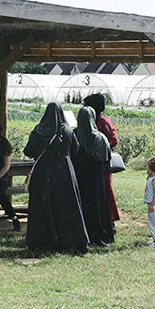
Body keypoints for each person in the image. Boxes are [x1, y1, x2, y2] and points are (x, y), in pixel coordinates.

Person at [23, 103, 88, 254]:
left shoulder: (39, 131)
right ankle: (71, 240)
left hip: (43, 173)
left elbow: (29, 151)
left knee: (42, 205)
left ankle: (42, 241)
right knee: (67, 205)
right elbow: (75, 150)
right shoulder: (67, 131)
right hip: (65, 171)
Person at [74, 104, 115, 247]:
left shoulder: (74, 135)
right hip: (97, 180)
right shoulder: (101, 138)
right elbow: (106, 160)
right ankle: (101, 234)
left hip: (80, 179)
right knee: (98, 206)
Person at [83, 93, 120, 223]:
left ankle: (109, 218)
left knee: (105, 189)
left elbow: (113, 140)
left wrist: (99, 150)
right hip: (88, 164)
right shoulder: (88, 122)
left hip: (101, 162)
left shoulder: (103, 123)